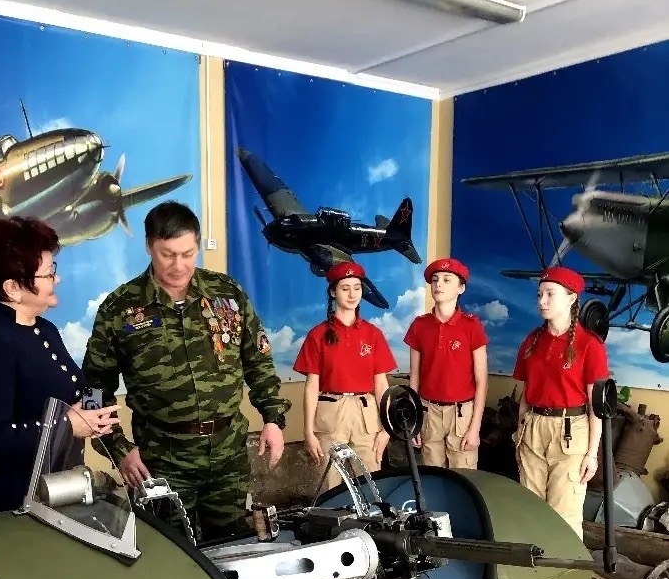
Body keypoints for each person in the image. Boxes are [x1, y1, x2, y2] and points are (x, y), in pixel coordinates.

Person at [81, 201, 290, 542]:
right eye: (167, 255)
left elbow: (258, 361)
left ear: (198, 245)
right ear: (149, 247)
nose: (179, 266)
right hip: (162, 461)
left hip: (228, 455)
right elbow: (93, 390)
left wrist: (273, 419)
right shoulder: (119, 309)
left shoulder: (227, 294)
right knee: (170, 550)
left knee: (233, 545)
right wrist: (118, 449)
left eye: (188, 254)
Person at [0, 217, 120, 518]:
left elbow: (75, 387)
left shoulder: (44, 328)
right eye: (49, 273)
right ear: (13, 287)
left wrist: (96, 411)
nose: (57, 279)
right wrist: (69, 426)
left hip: (54, 497)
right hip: (5, 514)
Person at [512, 265, 609, 539]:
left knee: (564, 515)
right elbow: (526, 394)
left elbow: (596, 407)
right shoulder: (532, 341)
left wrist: (591, 454)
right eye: (539, 294)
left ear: (571, 298)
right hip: (533, 427)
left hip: (571, 430)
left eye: (550, 294)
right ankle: (535, 566)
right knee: (529, 508)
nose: (542, 301)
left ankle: (565, 566)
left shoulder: (590, 345)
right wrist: (520, 431)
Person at [292, 261, 397, 491]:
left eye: (357, 288)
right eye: (345, 288)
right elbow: (312, 386)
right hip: (331, 413)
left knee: (371, 484)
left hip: (366, 414)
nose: (352, 294)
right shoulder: (317, 335)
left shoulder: (373, 334)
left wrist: (386, 428)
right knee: (329, 485)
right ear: (333, 292)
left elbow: (381, 384)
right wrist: (308, 432)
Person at [403, 257, 488, 469]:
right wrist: (414, 421)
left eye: (447, 280)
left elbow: (482, 380)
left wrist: (475, 427)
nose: (439, 284)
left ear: (461, 288)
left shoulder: (471, 326)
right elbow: (414, 377)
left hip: (462, 414)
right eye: (435, 280)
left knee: (464, 477)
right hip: (428, 412)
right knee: (432, 476)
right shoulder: (419, 326)